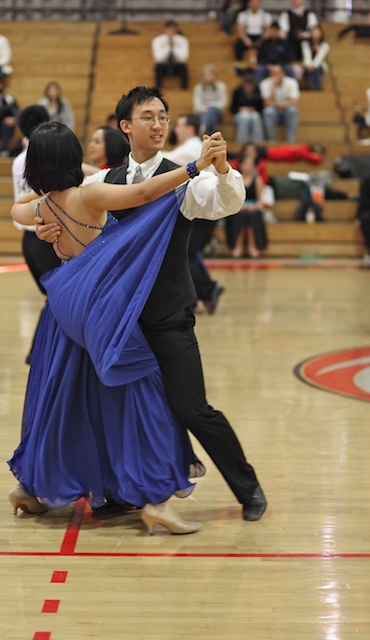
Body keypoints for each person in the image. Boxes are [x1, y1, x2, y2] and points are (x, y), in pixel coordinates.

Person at [36, 86, 267, 522]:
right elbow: (55, 208)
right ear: (126, 126)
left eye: (163, 116)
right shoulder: (103, 182)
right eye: (148, 117)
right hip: (118, 322)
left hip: (166, 314)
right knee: (119, 408)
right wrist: (42, 229)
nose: (158, 124)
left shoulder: (184, 179)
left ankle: (248, 486)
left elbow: (226, 202)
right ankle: (124, 492)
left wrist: (223, 168)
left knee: (190, 407)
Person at [8, 120, 226, 534]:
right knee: (146, 398)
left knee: (65, 403)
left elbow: (16, 207)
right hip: (102, 311)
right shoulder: (89, 195)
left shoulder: (43, 207)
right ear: (73, 157)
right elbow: (143, 193)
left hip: (63, 314)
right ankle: (157, 500)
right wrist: (194, 167)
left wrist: (38, 224)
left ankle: (29, 489)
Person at [12, 105, 61, 364]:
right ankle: (38, 351)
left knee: (53, 297)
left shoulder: (18, 160)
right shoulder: (44, 157)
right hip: (45, 236)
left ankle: (41, 351)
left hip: (28, 240)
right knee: (57, 296)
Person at [163, 113, 225, 314]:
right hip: (201, 210)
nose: (175, 129)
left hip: (202, 211)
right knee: (188, 253)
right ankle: (196, 296)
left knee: (182, 254)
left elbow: (160, 161)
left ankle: (208, 290)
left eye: (179, 125)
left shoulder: (192, 147)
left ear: (190, 129)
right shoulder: (192, 147)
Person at [225, 155, 267, 257]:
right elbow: (230, 199)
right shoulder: (235, 180)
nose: (248, 166)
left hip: (252, 209)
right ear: (241, 165)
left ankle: (252, 245)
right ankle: (237, 245)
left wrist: (253, 207)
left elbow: (260, 202)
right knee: (241, 216)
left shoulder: (257, 180)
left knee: (251, 216)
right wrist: (239, 207)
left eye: (251, 164)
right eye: (246, 164)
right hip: (237, 209)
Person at [260, 64, 300, 142]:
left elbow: (294, 101)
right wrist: (274, 88)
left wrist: (278, 105)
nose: (275, 75)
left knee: (292, 110)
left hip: (286, 110)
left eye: (277, 73)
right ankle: (271, 139)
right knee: (268, 111)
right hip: (274, 111)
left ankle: (291, 140)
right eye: (273, 73)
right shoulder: (265, 83)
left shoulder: (292, 82)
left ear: (283, 73)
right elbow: (267, 102)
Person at [151, 21, 189, 90]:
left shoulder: (182, 40)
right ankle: (158, 89)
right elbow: (158, 58)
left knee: (183, 67)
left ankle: (184, 90)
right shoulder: (157, 40)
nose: (171, 31)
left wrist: (173, 46)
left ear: (176, 29)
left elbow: (183, 58)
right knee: (158, 67)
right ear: (164, 29)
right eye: (169, 29)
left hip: (177, 65)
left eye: (173, 28)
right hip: (164, 65)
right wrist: (168, 46)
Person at [255, 20, 295, 84]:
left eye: (276, 30)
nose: (274, 32)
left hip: (281, 65)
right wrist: (268, 65)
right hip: (267, 65)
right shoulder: (264, 43)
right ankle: (258, 88)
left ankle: (294, 87)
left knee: (289, 69)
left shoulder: (284, 43)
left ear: (278, 31)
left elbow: (288, 57)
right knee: (260, 70)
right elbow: (260, 58)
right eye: (273, 30)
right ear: (270, 31)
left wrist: (279, 65)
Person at [193, 64, 228, 135]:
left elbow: (223, 104)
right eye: (205, 75)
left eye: (209, 75)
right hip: (202, 114)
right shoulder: (198, 88)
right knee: (210, 114)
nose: (207, 77)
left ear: (214, 75)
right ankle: (212, 136)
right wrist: (208, 109)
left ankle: (203, 127)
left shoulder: (221, 86)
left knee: (212, 111)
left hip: (217, 114)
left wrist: (210, 105)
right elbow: (197, 106)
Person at [230, 72, 264, 142]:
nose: (249, 88)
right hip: (239, 114)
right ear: (244, 85)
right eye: (248, 85)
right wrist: (241, 109)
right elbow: (232, 108)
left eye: (251, 86)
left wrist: (254, 109)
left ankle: (258, 142)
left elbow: (261, 107)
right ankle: (241, 142)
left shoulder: (257, 91)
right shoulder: (237, 92)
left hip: (253, 113)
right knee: (245, 117)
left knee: (256, 117)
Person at [299, 25, 330, 90]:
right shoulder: (305, 44)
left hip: (319, 66)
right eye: (314, 32)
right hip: (307, 66)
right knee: (309, 70)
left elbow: (319, 58)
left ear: (321, 34)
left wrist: (313, 66)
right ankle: (312, 88)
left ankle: (316, 87)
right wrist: (309, 65)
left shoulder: (325, 45)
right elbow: (306, 56)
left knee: (316, 69)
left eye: (317, 32)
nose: (315, 34)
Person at [355, 177, 370, 263]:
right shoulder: (366, 181)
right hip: (368, 210)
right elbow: (362, 199)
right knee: (365, 219)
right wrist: (357, 217)